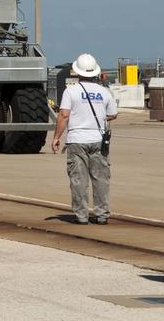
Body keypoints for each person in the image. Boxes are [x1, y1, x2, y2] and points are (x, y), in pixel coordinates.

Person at [51, 52, 118, 225]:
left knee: (79, 179)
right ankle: (102, 214)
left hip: (77, 140)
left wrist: (56, 137)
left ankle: (81, 216)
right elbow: (112, 114)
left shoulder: (70, 92)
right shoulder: (104, 91)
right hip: (98, 140)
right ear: (95, 72)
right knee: (101, 178)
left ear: (76, 71)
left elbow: (64, 115)